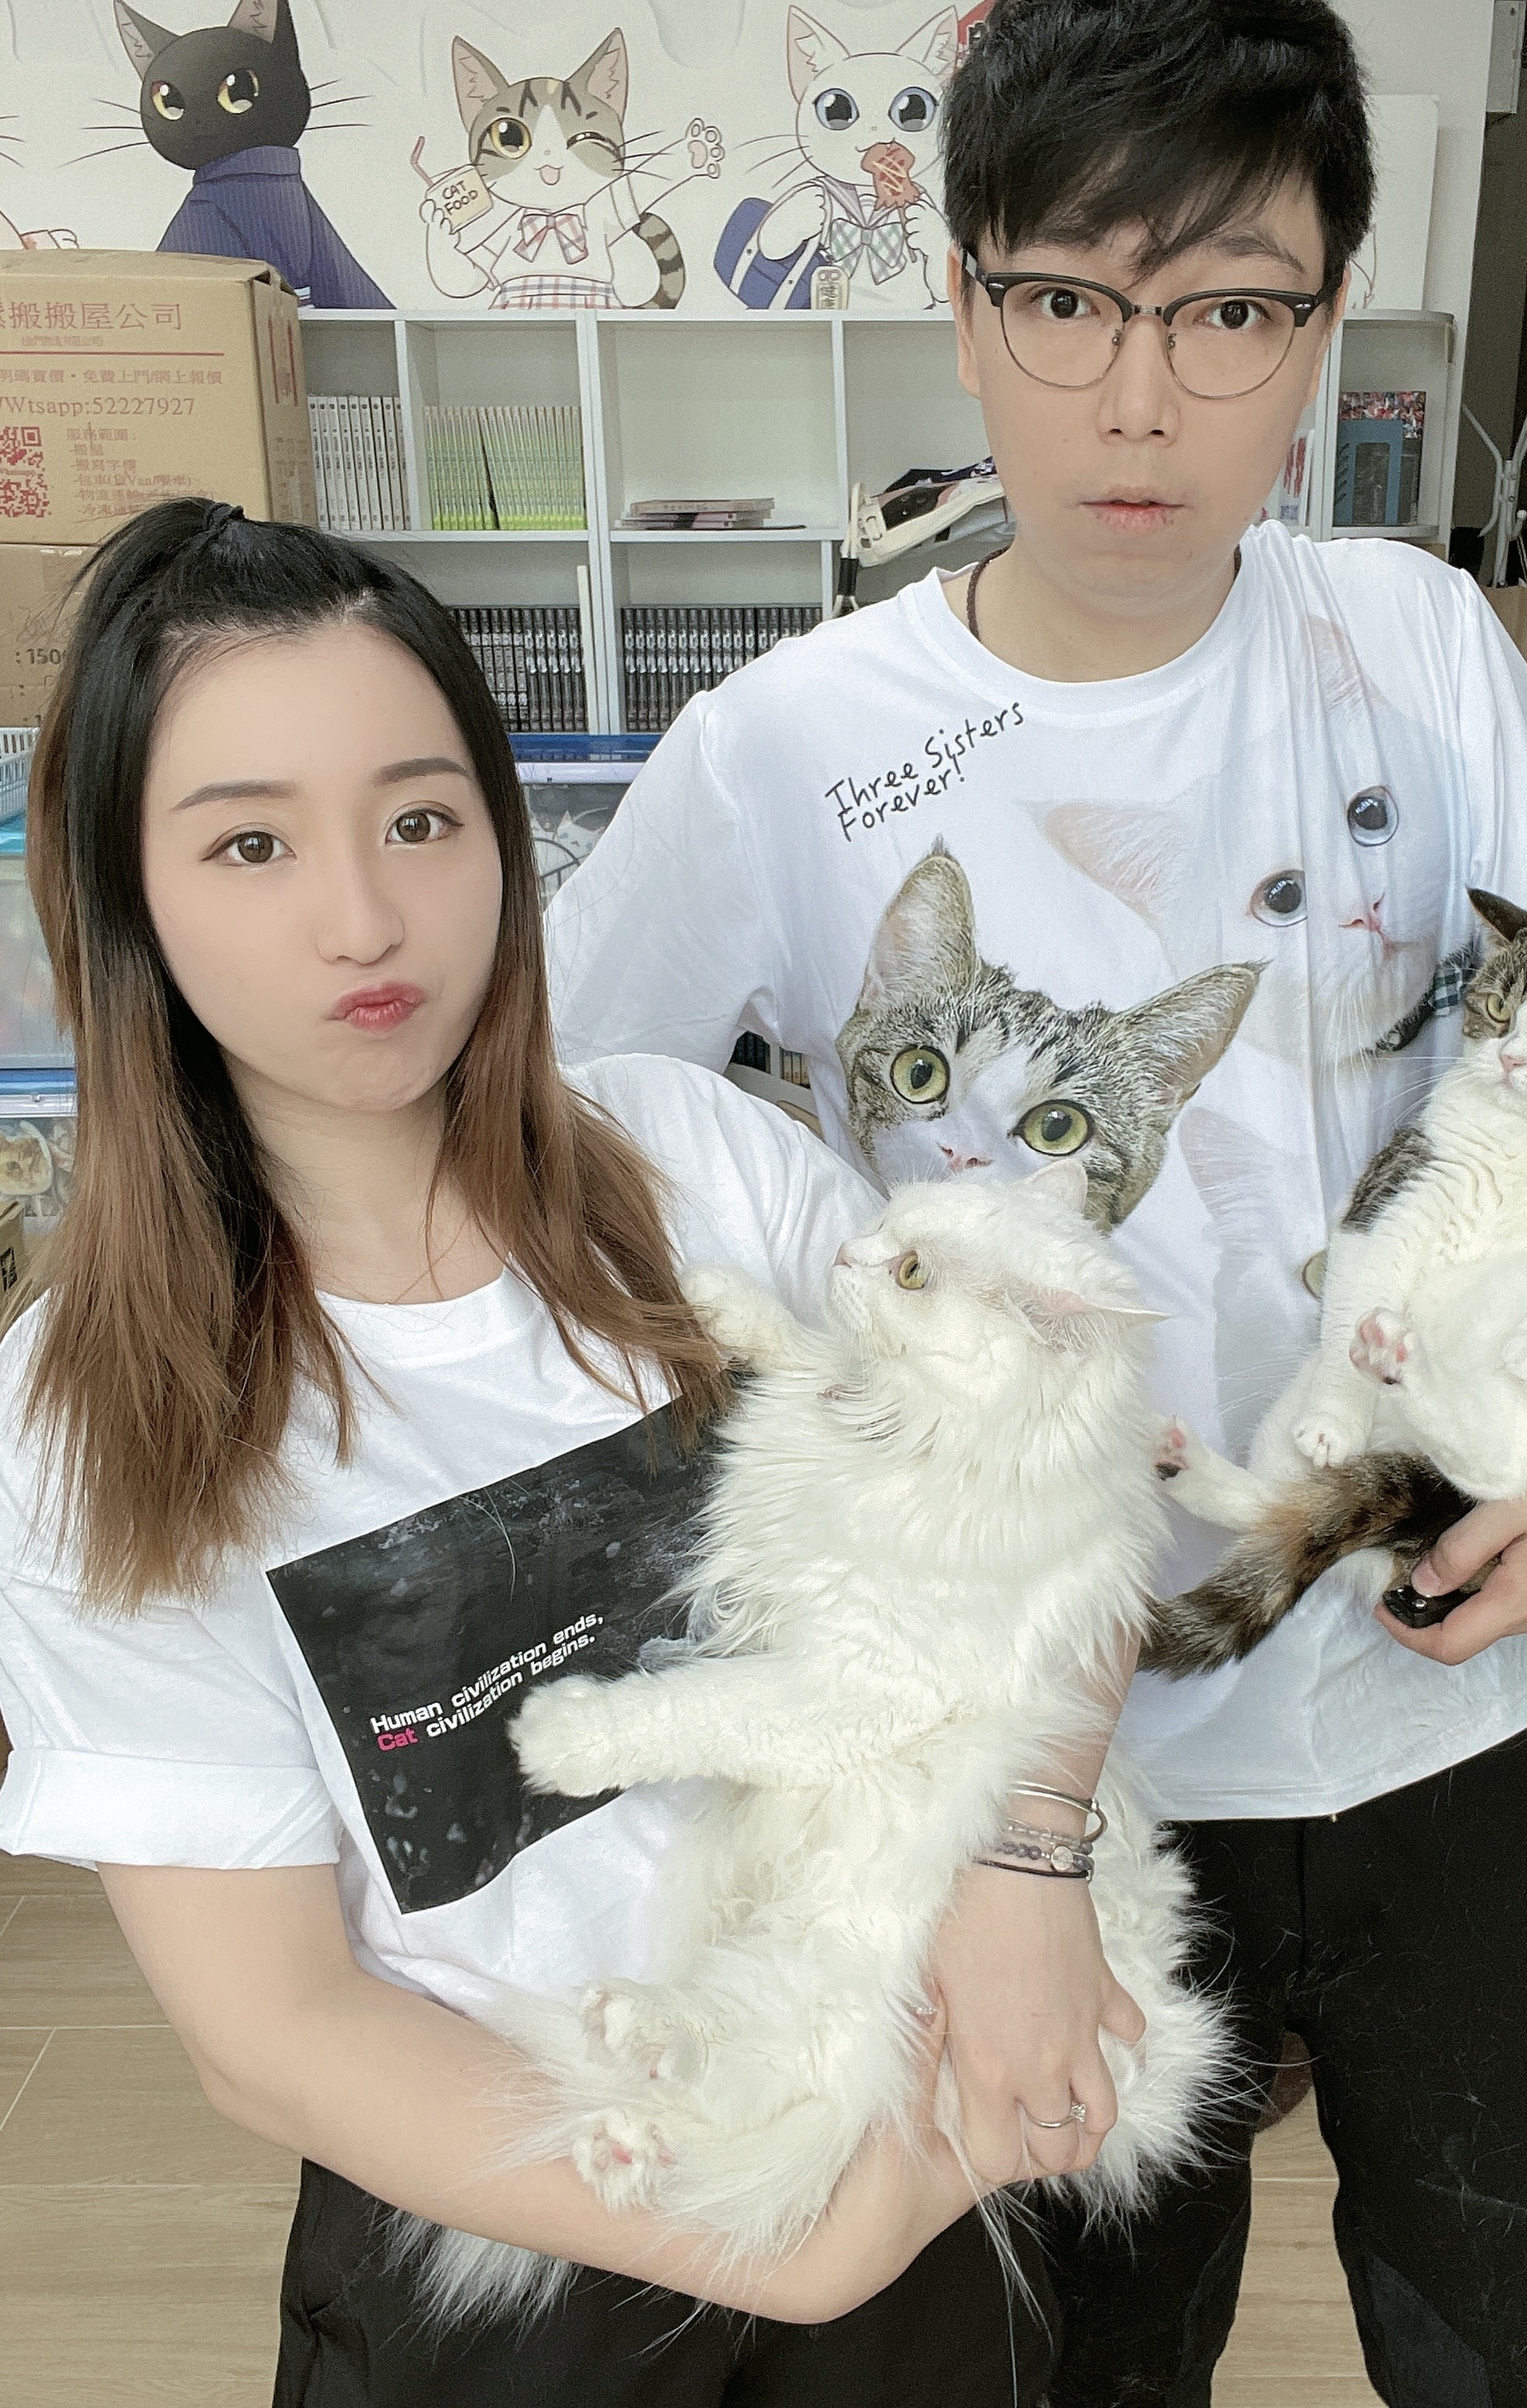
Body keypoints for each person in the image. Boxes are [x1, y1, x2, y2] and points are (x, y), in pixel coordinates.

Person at [540, 2, 1527, 2400]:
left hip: (1460, 1688)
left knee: (1515, 2339)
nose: (1137, 400)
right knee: (1078, 2360)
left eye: (1226, 312)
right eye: (1066, 301)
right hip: (1040, 1776)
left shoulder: (1410, 643)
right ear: (962, 303)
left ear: (1322, 324)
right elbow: (555, 1171)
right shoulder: (785, 751)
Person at [0, 497, 1079, 2407]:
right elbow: (276, 2025)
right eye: (250, 841)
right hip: (511, 2229)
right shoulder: (92, 1417)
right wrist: (776, 2239)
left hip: (891, 2114)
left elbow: (1042, 1512)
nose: (364, 916)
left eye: (421, 819)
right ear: (118, 898)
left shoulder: (697, 1160)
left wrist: (1029, 1860)